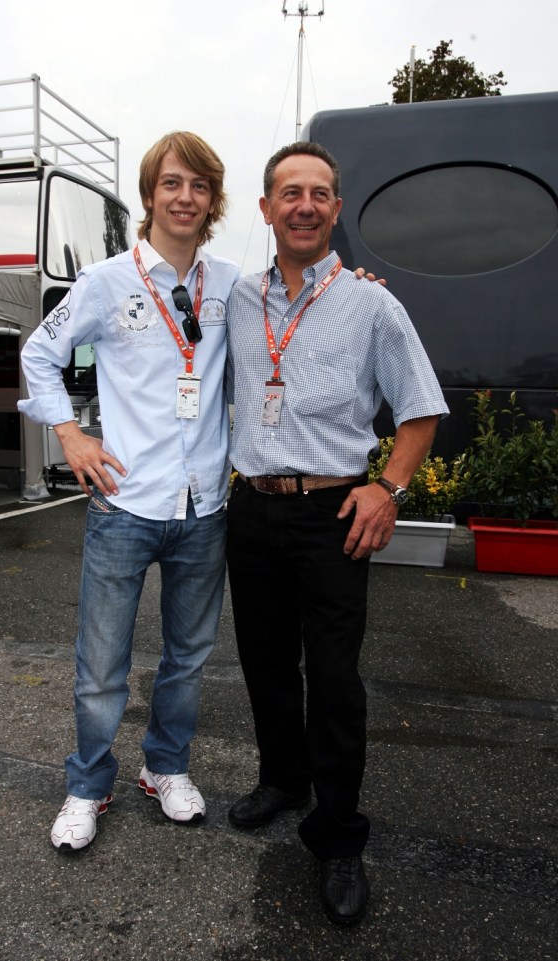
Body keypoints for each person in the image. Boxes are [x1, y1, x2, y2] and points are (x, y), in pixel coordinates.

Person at [225, 142, 449, 925]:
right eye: (290, 192)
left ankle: (338, 834)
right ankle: (282, 778)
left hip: (333, 515)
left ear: (336, 208)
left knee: (335, 678)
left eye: (320, 192)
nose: (306, 205)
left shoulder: (372, 303)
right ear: (265, 209)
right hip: (251, 510)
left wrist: (387, 489)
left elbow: (419, 409)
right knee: (264, 661)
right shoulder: (235, 299)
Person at [18, 131, 240, 850]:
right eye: (172, 183)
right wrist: (70, 435)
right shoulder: (108, 282)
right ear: (150, 195)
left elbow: (296, 306)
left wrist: (358, 284)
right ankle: (87, 782)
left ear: (213, 201)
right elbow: (39, 353)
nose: (185, 197)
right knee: (101, 663)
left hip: (203, 509)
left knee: (188, 656)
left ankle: (165, 768)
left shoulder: (232, 284)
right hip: (124, 506)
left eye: (199, 186)